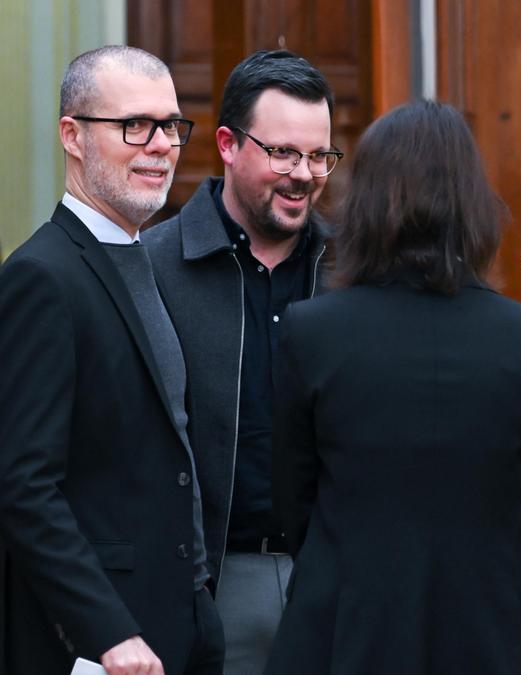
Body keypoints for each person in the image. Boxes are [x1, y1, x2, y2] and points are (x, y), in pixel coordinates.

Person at [263, 100, 521, 675]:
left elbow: (295, 500)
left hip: (350, 624)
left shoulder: (310, 331)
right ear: (473, 204)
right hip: (496, 626)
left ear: (368, 201)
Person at [0, 45, 222, 675]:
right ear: (73, 136)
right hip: (97, 647)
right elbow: (23, 485)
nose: (162, 144)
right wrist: (106, 633)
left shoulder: (148, 259)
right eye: (134, 125)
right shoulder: (39, 278)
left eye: (170, 125)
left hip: (181, 621)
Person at [143, 49, 338, 675]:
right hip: (209, 583)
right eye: (282, 152)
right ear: (227, 144)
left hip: (336, 577)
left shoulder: (355, 270)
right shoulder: (153, 267)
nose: (303, 174)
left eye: (319, 156)